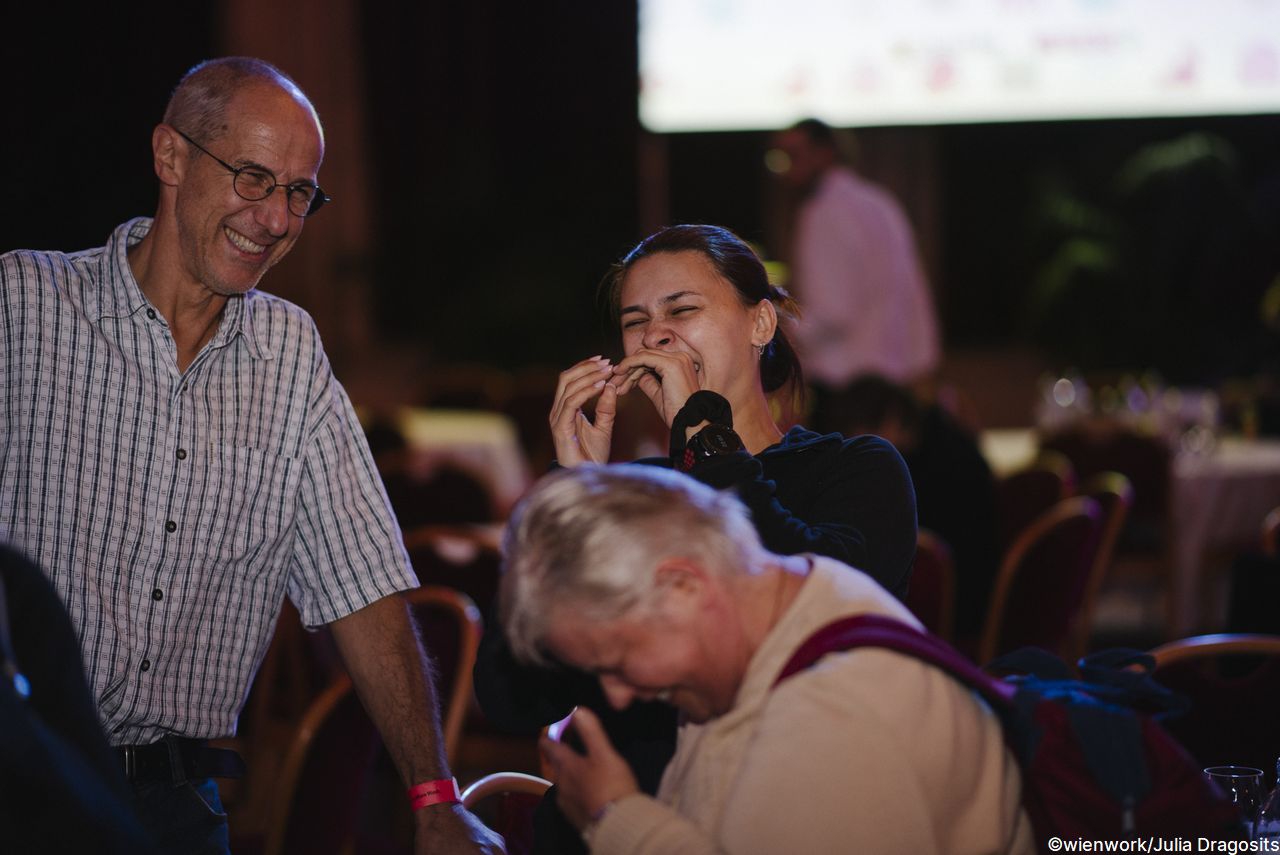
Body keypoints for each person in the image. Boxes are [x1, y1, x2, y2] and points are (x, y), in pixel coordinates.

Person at [0, 58, 499, 855]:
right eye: (253, 178)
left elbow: (365, 590)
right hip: (23, 784)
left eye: (299, 191)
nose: (275, 218)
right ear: (171, 157)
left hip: (178, 809)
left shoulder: (290, 351)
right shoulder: (23, 306)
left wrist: (435, 797)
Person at [473, 223, 918, 852]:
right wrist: (573, 496)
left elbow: (813, 618)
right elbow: (511, 694)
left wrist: (705, 439)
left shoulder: (854, 468)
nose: (656, 335)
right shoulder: (625, 495)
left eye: (682, 310)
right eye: (636, 321)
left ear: (761, 325)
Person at [501, 464, 1034, 854]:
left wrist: (615, 817)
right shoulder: (790, 601)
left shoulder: (833, 720)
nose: (615, 694)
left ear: (683, 586)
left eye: (615, 660)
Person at [771, 118, 941, 429]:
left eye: (794, 155)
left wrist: (772, 331)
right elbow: (915, 296)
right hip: (895, 387)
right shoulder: (881, 203)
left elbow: (832, 311)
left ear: (825, 154)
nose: (786, 168)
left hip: (846, 394)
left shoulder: (822, 212)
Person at [837, 375, 1001, 641]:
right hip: (986, 604)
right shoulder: (952, 442)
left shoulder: (914, 475)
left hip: (947, 623)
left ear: (889, 420)